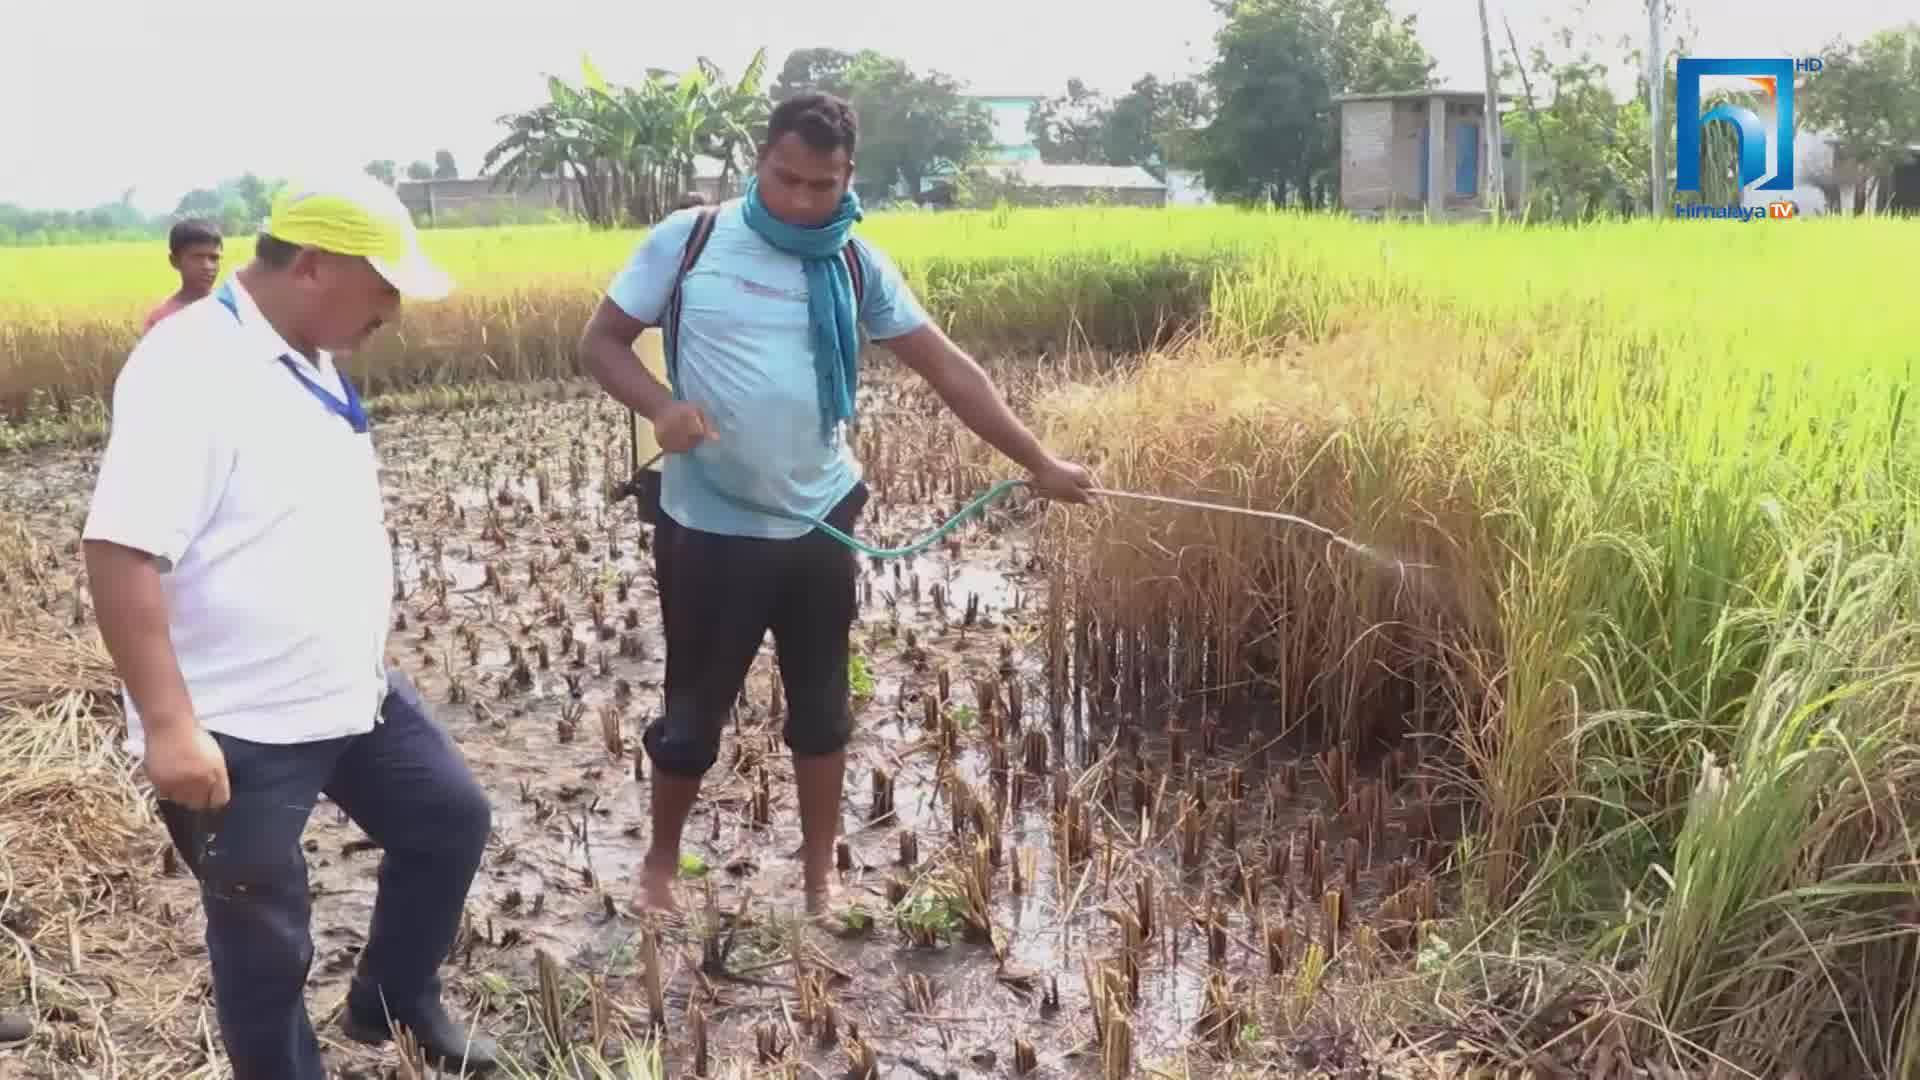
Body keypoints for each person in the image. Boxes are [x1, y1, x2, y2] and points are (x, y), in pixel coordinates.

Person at [577, 92, 1096, 918]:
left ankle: (821, 874)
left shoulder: (855, 262)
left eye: (824, 185)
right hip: (711, 524)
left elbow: (952, 370)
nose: (804, 201)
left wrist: (1039, 461)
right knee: (692, 708)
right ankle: (661, 867)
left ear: (849, 175)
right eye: (788, 180)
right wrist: (661, 409)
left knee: (822, 704)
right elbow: (599, 343)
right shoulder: (693, 240)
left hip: (819, 520)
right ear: (760, 162)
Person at [80, 175, 498, 1079]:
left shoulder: (307, 349)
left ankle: (393, 1001)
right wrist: (168, 727)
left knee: (449, 822)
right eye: (384, 283)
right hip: (236, 725)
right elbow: (119, 552)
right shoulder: (190, 366)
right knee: (267, 942)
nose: (394, 306)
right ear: (314, 266)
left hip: (347, 691)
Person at [143, 218, 224, 333]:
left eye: (214, 258)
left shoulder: (233, 309)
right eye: (197, 257)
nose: (208, 266)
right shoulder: (160, 319)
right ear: (174, 261)